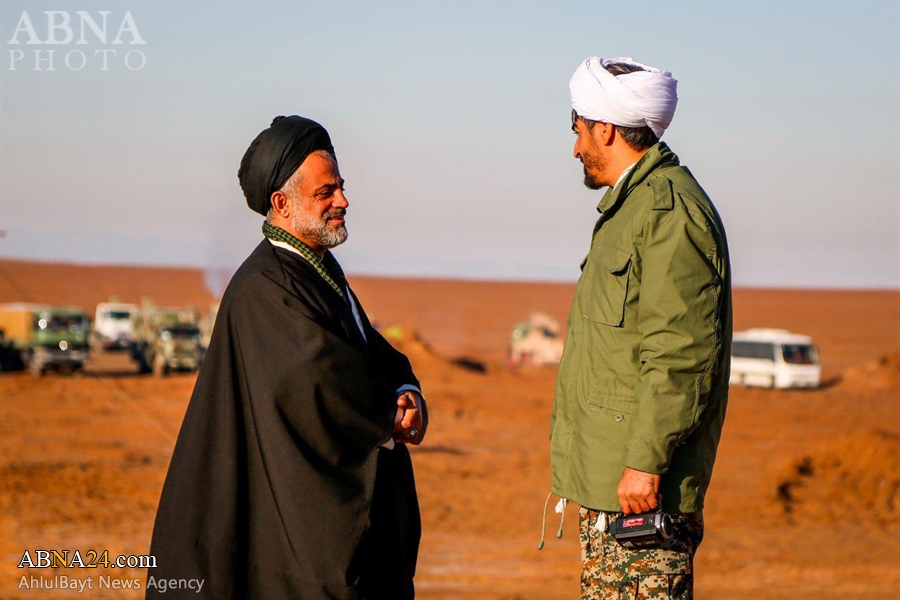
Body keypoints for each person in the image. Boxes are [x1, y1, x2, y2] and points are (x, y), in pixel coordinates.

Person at [147, 115, 427, 599]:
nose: (343, 201)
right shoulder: (265, 287)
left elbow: (367, 347)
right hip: (295, 529)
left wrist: (406, 389)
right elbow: (315, 378)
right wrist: (387, 414)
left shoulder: (315, 269)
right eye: (326, 192)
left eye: (340, 187)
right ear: (282, 203)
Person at [546, 57, 732, 599]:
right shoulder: (633, 208)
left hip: (641, 495)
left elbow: (680, 352)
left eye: (578, 130)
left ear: (605, 129)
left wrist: (645, 464)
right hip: (613, 483)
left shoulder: (668, 210)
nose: (575, 148)